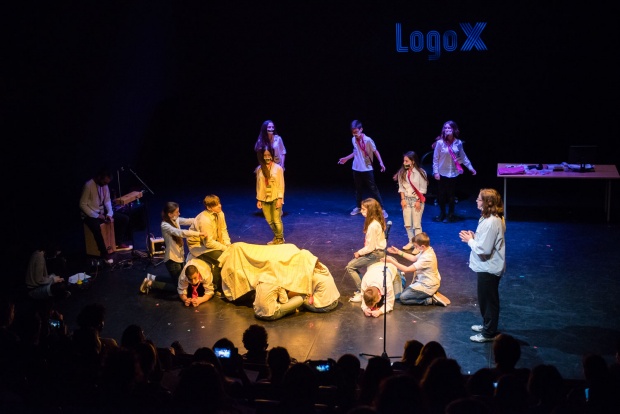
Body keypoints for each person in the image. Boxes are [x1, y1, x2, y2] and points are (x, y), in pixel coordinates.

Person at [459, 188, 506, 343]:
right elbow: (486, 241)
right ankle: (487, 326)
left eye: (479, 199)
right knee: (485, 300)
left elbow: (484, 249)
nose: (476, 201)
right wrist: (475, 237)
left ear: (488, 202)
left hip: (489, 268)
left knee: (489, 301)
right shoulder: (488, 218)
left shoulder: (492, 222)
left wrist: (470, 241)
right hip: (486, 267)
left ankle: (489, 333)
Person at [79, 168, 132, 263]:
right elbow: (82, 204)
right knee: (96, 228)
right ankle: (104, 253)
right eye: (104, 182)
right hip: (89, 214)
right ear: (99, 177)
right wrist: (96, 215)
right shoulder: (88, 185)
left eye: (107, 183)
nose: (105, 184)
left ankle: (118, 242)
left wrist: (109, 214)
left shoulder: (104, 186)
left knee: (124, 218)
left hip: (101, 213)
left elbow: (107, 201)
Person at [338, 119, 388, 218]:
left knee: (373, 189)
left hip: (367, 168)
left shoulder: (368, 140)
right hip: (356, 168)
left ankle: (382, 209)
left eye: (356, 132)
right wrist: (346, 159)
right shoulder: (353, 139)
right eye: (353, 132)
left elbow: (375, 151)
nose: (355, 134)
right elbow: (356, 152)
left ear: (361, 129)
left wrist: (381, 162)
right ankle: (358, 207)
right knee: (358, 189)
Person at [386, 232, 450, 306]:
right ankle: (428, 294)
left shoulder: (427, 258)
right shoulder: (427, 250)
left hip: (428, 285)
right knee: (406, 292)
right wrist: (398, 252)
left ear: (422, 246)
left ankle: (429, 300)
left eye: (416, 246)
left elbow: (406, 269)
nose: (415, 248)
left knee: (403, 298)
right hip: (425, 281)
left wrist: (391, 261)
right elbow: (413, 258)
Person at [432, 120, 477, 223]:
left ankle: (450, 214)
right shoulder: (440, 143)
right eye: (445, 128)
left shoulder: (458, 143)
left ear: (454, 129)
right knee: (441, 195)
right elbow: (435, 159)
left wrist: (470, 168)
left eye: (449, 128)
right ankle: (442, 213)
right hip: (441, 173)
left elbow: (463, 157)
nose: (447, 129)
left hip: (453, 173)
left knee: (451, 196)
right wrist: (436, 172)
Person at [186, 194, 231, 293]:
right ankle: (216, 286)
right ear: (209, 208)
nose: (219, 206)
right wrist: (225, 248)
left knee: (229, 254)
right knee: (221, 259)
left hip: (211, 242)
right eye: (216, 205)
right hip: (199, 247)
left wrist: (228, 244)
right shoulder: (205, 220)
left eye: (219, 203)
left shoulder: (220, 213)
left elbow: (223, 230)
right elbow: (208, 243)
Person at [345, 197, 387, 303]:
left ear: (370, 210)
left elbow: (370, 247)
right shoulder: (376, 221)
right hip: (377, 252)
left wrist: (359, 253)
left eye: (364, 209)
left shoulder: (373, 226)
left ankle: (362, 292)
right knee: (353, 265)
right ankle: (363, 289)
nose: (362, 211)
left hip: (376, 254)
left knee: (350, 266)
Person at [160, 201, 207, 285]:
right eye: (177, 212)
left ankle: (151, 278)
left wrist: (202, 219)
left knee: (180, 282)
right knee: (179, 286)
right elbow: (180, 232)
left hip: (180, 257)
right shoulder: (165, 225)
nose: (179, 213)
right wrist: (199, 234)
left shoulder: (175, 219)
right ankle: (151, 283)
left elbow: (188, 221)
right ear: (170, 214)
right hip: (172, 260)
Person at [393, 150, 428, 251]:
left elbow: (423, 189)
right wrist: (403, 199)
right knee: (408, 224)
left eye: (407, 161)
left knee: (416, 225)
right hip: (406, 200)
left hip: (417, 200)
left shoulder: (421, 172)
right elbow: (401, 188)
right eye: (404, 161)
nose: (404, 163)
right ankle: (411, 242)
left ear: (413, 161)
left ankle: (418, 245)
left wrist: (418, 201)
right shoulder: (402, 172)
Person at [255, 147, 285, 245]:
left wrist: (280, 198)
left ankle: (280, 239)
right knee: (269, 220)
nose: (267, 157)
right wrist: (259, 199)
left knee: (276, 220)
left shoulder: (278, 168)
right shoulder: (260, 169)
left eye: (269, 155)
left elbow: (281, 184)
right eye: (265, 155)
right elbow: (259, 185)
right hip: (264, 198)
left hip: (275, 196)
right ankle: (277, 237)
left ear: (272, 156)